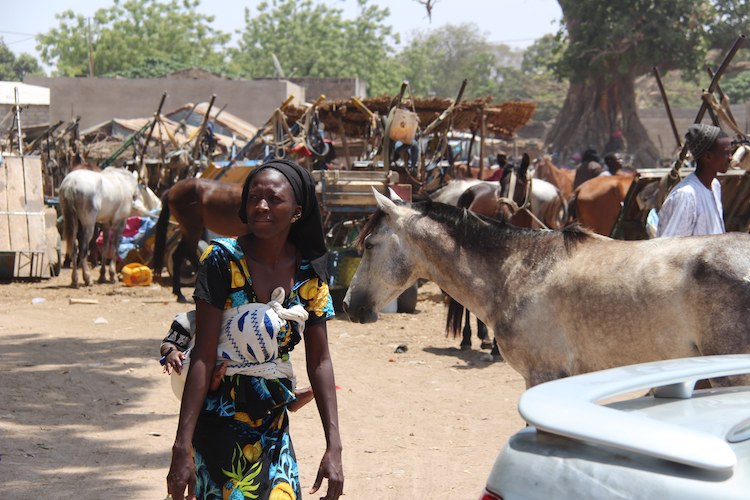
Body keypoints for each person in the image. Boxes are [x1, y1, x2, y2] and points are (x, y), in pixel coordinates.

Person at [166, 159, 344, 500]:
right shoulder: (222, 260)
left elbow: (320, 361)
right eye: (253, 198)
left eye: (274, 199)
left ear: (297, 211)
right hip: (219, 424)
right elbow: (203, 355)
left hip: (274, 429)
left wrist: (334, 448)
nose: (261, 206)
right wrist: (181, 446)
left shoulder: (311, 274)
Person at [657, 123, 732, 237]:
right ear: (708, 157)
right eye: (726, 153)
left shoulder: (715, 186)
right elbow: (671, 248)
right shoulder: (686, 195)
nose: (731, 158)